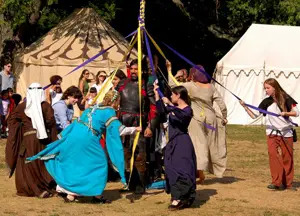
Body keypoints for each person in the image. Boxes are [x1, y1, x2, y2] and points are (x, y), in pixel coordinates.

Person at [26, 91, 130, 203]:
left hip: (75, 134)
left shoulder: (93, 107)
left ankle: (71, 194)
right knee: (100, 164)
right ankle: (97, 196)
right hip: (88, 138)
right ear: (115, 101)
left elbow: (79, 121)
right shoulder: (109, 111)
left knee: (78, 163)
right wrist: (135, 129)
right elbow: (119, 130)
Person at [168, 62, 228, 183]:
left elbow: (174, 86)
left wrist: (170, 71)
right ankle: (214, 170)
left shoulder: (191, 85)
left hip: (197, 118)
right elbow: (221, 103)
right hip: (211, 118)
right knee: (212, 143)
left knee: (198, 144)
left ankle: (200, 171)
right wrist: (224, 117)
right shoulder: (211, 87)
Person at [240, 78, 299, 191]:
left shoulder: (286, 98)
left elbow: (297, 112)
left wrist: (286, 113)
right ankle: (276, 182)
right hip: (272, 132)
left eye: (268, 88)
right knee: (273, 156)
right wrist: (245, 107)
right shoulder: (266, 102)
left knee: (287, 158)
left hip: (286, 132)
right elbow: (255, 116)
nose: (266, 90)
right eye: (265, 88)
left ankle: (288, 184)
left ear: (275, 87)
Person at [5, 83, 57, 198]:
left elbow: (12, 121)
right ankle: (42, 188)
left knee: (29, 164)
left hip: (28, 139)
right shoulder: (46, 106)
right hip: (42, 140)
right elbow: (51, 122)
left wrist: (21, 127)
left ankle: (34, 189)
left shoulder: (22, 106)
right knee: (40, 163)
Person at [154, 83, 196, 210]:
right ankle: (176, 196)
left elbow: (182, 117)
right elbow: (161, 111)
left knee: (182, 170)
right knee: (171, 169)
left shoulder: (187, 109)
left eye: (172, 94)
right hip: (172, 142)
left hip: (182, 143)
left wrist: (171, 105)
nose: (171, 96)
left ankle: (183, 197)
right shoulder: (174, 108)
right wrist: (157, 93)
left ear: (178, 95)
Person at [117, 59, 153, 194]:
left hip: (139, 122)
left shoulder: (146, 85)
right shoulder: (122, 84)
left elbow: (153, 108)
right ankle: (128, 183)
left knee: (139, 154)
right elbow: (113, 101)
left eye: (136, 69)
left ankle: (140, 184)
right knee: (126, 153)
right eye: (131, 69)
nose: (133, 71)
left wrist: (150, 126)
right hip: (123, 122)